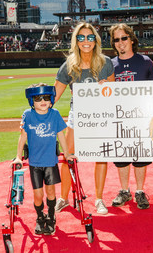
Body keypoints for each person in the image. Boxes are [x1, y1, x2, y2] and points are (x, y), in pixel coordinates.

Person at [53, 22, 115, 215]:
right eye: (81, 38)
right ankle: (63, 198)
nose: (86, 41)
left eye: (90, 37)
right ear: (76, 41)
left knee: (101, 157)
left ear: (96, 40)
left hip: (100, 116)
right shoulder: (69, 65)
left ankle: (98, 199)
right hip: (76, 116)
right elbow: (53, 96)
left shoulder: (106, 63)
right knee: (68, 156)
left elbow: (113, 95)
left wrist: (106, 88)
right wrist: (33, 113)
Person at [12, 83, 75, 235]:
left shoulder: (54, 114)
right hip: (35, 163)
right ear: (31, 101)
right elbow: (23, 137)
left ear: (51, 99)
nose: (43, 101)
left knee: (51, 192)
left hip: (50, 162)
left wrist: (67, 154)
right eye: (38, 98)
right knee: (38, 195)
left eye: (46, 97)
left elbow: (61, 136)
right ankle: (40, 217)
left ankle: (51, 216)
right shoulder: (28, 115)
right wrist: (18, 157)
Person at [109, 23, 153, 209]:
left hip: (141, 118)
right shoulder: (109, 64)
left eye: (124, 38)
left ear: (131, 39)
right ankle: (124, 190)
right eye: (116, 39)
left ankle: (139, 191)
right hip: (119, 118)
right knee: (121, 156)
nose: (120, 42)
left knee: (140, 156)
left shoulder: (145, 61)